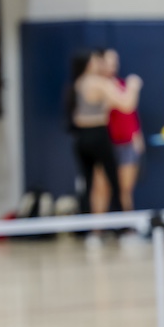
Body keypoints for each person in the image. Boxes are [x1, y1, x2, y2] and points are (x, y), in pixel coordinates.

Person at [65, 49, 141, 247]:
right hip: (99, 137)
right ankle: (124, 229)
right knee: (114, 186)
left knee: (93, 185)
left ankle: (95, 232)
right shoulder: (99, 83)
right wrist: (133, 86)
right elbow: (126, 104)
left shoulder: (77, 83)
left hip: (82, 139)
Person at [102, 49, 145, 214]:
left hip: (127, 143)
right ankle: (99, 229)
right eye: (108, 62)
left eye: (115, 62)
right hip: (107, 143)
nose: (112, 66)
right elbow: (126, 104)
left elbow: (131, 113)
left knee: (125, 188)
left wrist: (137, 135)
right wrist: (133, 87)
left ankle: (128, 228)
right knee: (104, 188)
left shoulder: (121, 84)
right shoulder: (99, 87)